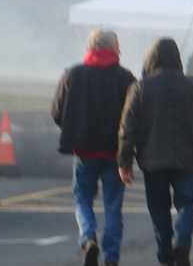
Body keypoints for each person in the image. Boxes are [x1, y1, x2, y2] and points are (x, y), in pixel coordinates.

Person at [118, 38, 193, 266]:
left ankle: (165, 256)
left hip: (153, 161)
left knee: (159, 210)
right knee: (188, 204)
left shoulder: (140, 88)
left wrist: (125, 162)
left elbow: (127, 128)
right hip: (188, 159)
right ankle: (181, 241)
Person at [51, 29, 135, 266]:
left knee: (82, 199)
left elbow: (57, 112)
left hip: (84, 151)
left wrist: (74, 129)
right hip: (114, 153)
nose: (120, 49)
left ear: (90, 48)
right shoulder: (125, 78)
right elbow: (136, 115)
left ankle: (88, 238)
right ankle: (112, 257)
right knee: (113, 205)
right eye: (118, 45)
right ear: (113, 48)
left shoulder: (73, 74)